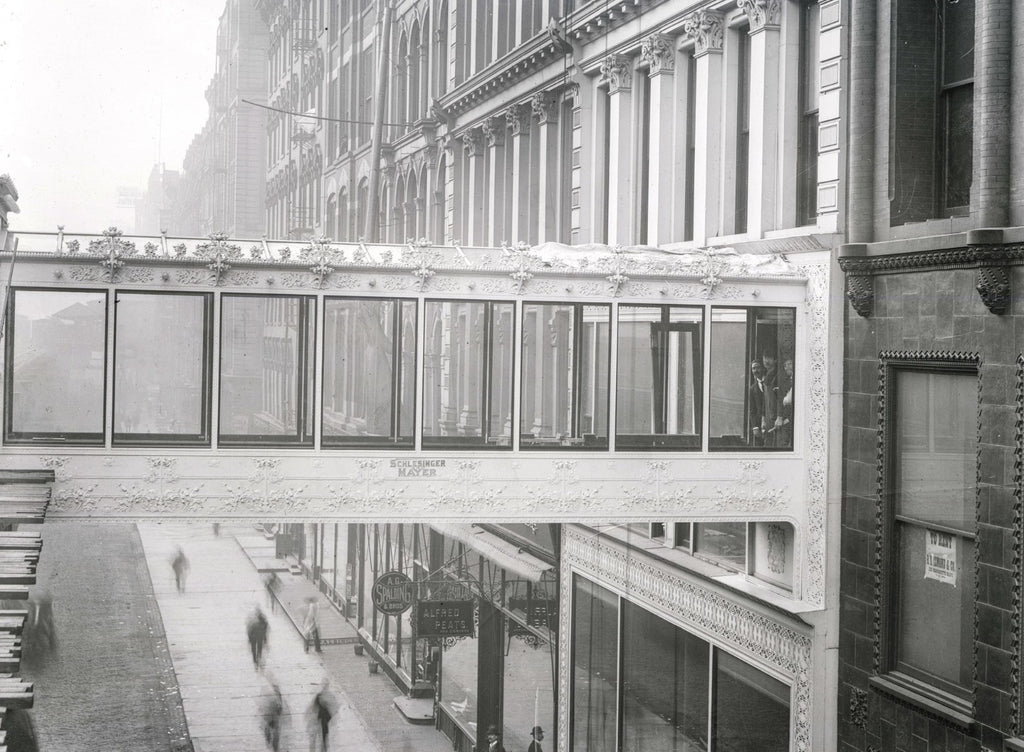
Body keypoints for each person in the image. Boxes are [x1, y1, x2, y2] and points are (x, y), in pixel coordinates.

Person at [747, 360, 777, 447]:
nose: (755, 370)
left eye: (758, 368)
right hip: (761, 425)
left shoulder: (771, 381)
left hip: (773, 420)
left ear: (763, 368)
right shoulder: (752, 389)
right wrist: (755, 427)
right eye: (753, 368)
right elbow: (752, 410)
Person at [309, 681, 335, 752]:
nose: (324, 686)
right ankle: (322, 747)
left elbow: (333, 706)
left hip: (325, 719)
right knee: (320, 735)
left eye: (326, 685)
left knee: (324, 735)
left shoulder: (328, 695)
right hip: (320, 718)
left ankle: (323, 747)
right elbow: (314, 706)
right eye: (324, 685)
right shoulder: (319, 695)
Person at [774, 357, 794, 448]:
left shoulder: (800, 381)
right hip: (785, 421)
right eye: (785, 365)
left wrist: (788, 419)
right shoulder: (784, 382)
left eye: (790, 364)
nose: (787, 367)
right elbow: (780, 401)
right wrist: (780, 417)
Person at [261, 681, 284, 752]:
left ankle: (272, 746)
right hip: (272, 716)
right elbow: (280, 707)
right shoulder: (274, 695)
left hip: (271, 716)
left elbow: (280, 707)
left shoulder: (270, 695)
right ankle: (273, 747)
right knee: (273, 734)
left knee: (272, 734)